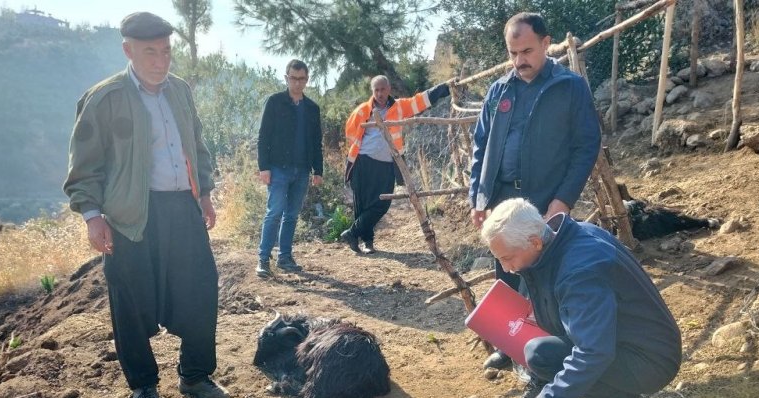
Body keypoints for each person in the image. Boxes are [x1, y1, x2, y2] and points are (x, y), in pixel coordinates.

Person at [63, 12, 229, 398]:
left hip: (183, 207)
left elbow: (197, 147)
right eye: (150, 52)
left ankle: (195, 375)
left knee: (200, 288)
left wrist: (205, 194)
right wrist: (92, 216)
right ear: (128, 51)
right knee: (130, 299)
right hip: (130, 215)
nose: (160, 61)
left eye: (166, 51)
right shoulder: (104, 98)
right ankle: (143, 386)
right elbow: (85, 165)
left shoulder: (180, 91)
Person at [480, 198, 682, 398]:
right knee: (543, 351)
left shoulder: (579, 271)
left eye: (507, 258)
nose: (506, 268)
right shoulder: (566, 238)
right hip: (633, 340)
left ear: (535, 242)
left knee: (544, 356)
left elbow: (592, 352)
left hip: (650, 360)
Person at [468, 12, 602, 370]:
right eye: (513, 53)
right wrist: (478, 197)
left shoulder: (569, 87)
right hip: (500, 200)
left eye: (526, 51)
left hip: (545, 199)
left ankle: (551, 352)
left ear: (546, 43)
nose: (519, 61)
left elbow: (586, 146)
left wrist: (563, 200)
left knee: (546, 275)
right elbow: (480, 145)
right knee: (507, 270)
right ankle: (509, 347)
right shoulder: (499, 91)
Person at [340, 76, 451, 254]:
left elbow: (420, 101)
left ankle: (352, 233)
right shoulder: (362, 110)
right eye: (376, 90)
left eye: (383, 89)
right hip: (363, 162)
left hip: (386, 164)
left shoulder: (399, 107)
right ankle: (367, 242)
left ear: (389, 89)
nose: (380, 93)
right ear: (372, 91)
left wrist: (444, 88)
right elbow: (351, 134)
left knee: (382, 204)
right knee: (363, 204)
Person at [255, 59, 323, 278]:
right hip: (278, 168)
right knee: (274, 212)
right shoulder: (275, 102)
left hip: (302, 169)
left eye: (301, 79)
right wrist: (264, 167)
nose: (297, 83)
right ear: (286, 78)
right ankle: (263, 259)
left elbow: (316, 141)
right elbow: (263, 136)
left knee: (292, 215)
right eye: (293, 78)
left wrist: (318, 170)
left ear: (307, 80)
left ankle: (285, 257)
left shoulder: (312, 108)